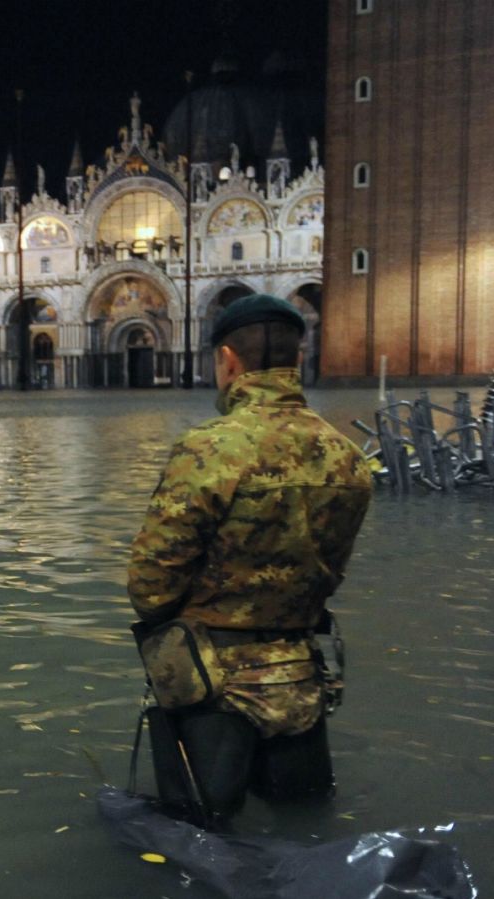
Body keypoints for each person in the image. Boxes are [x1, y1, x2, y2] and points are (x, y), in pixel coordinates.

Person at [127, 294, 373, 826]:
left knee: (199, 838)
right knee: (303, 822)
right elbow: (330, 571)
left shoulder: (209, 449)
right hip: (303, 680)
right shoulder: (345, 455)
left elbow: (150, 585)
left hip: (214, 687)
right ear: (298, 361)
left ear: (229, 360)